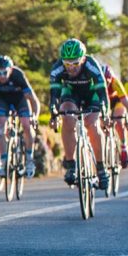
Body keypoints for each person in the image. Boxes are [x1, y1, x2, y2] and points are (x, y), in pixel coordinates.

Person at [49, 38, 110, 190]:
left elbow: (103, 93)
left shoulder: (92, 65)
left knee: (92, 125)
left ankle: (101, 169)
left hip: (92, 94)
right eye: (67, 64)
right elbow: (54, 96)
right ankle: (71, 165)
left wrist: (106, 112)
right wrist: (54, 113)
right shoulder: (57, 69)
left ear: (83, 59)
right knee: (67, 118)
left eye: (75, 63)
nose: (71, 68)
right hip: (71, 94)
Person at [0, 55, 40, 178]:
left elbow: (33, 100)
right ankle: (3, 161)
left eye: (5, 72)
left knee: (26, 124)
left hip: (19, 99)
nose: (2, 76)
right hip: (2, 100)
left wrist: (35, 116)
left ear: (11, 69)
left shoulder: (18, 75)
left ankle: (29, 158)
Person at [102, 63, 128, 167]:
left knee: (119, 120)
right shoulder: (95, 83)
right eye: (103, 81)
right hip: (103, 102)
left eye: (107, 81)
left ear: (111, 79)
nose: (105, 84)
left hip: (116, 101)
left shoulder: (116, 83)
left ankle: (124, 147)